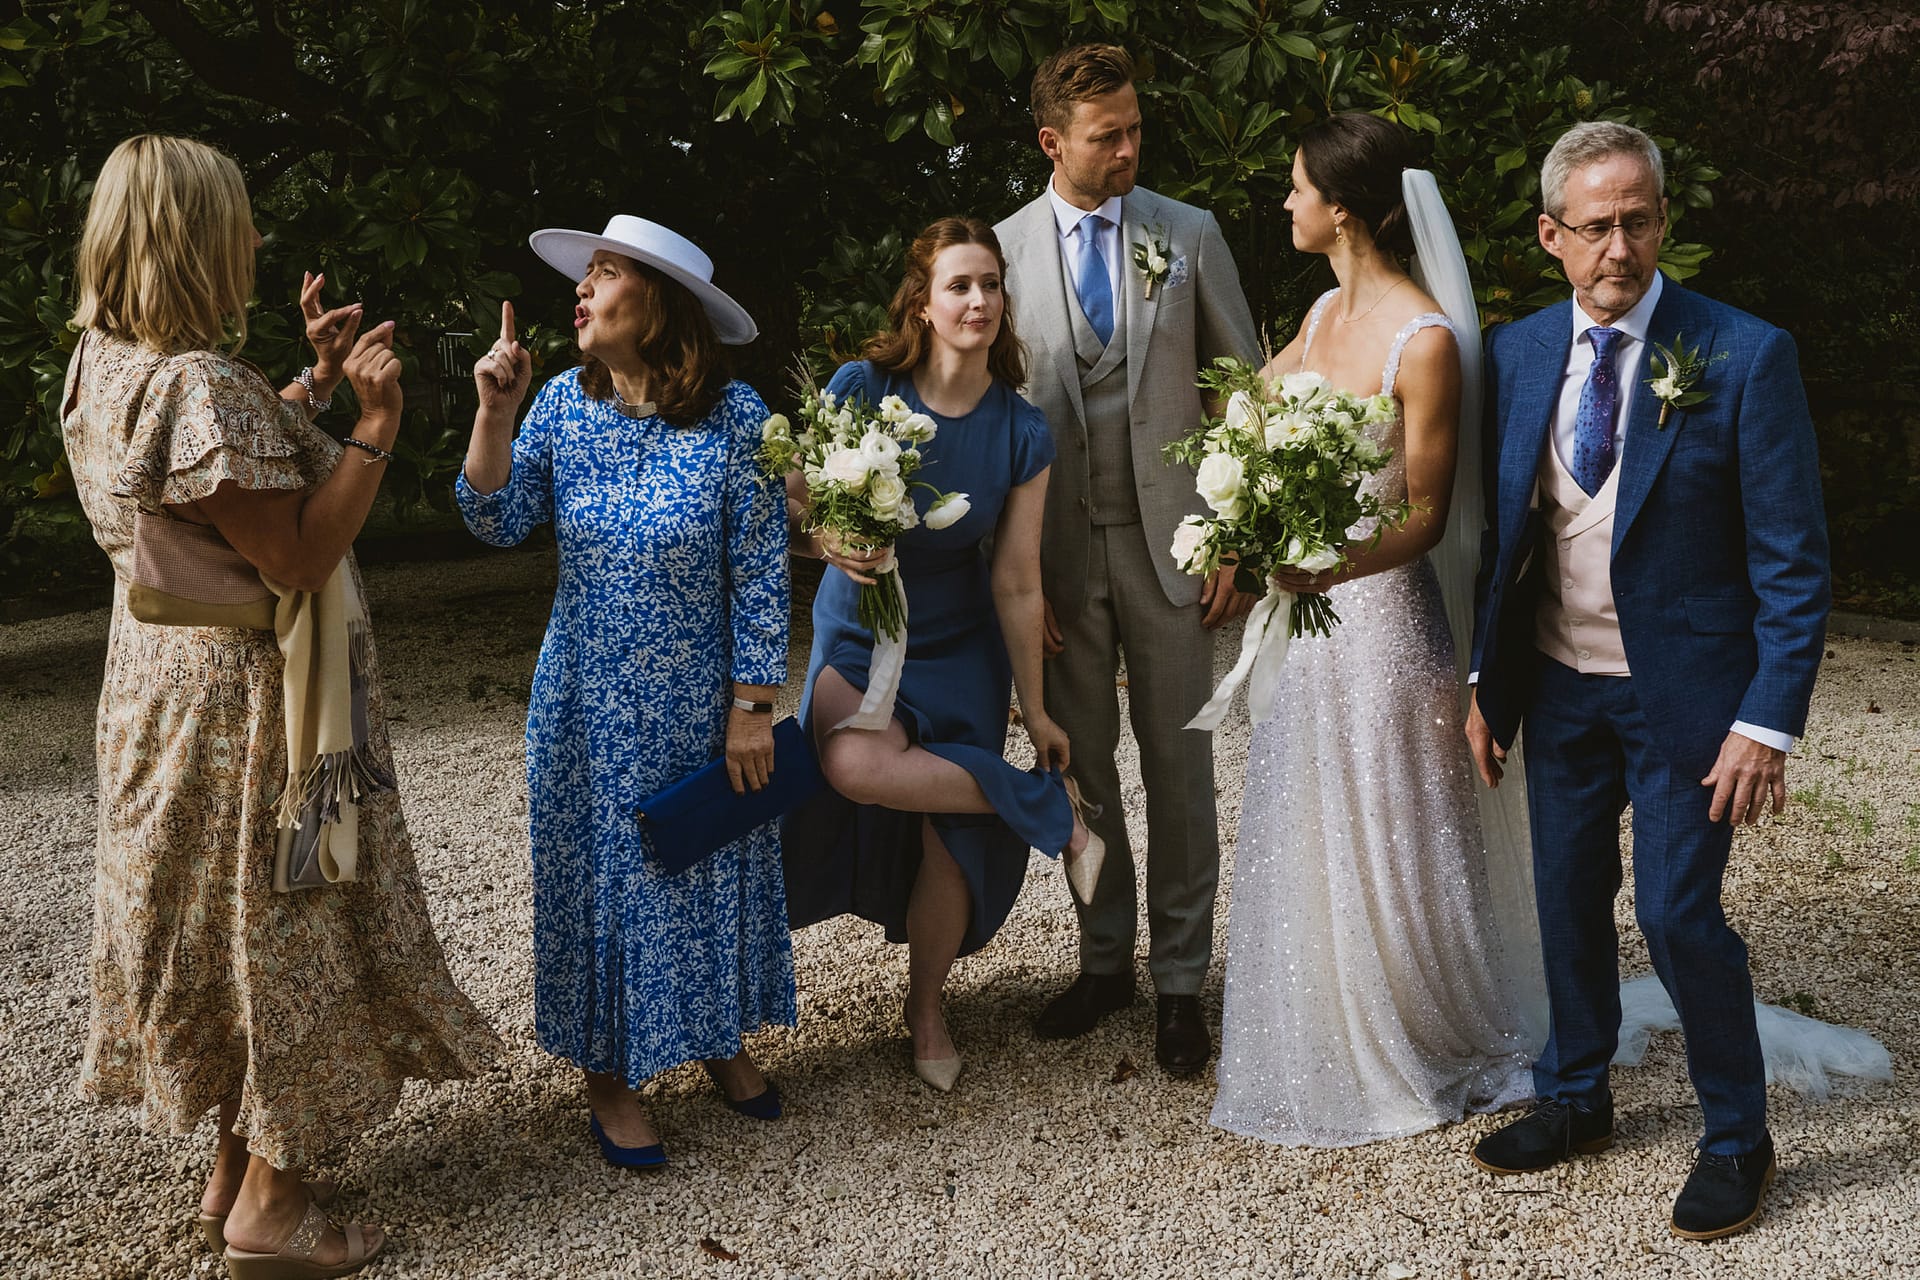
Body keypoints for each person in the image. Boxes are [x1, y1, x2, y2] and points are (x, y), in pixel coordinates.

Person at [63, 134, 501, 1278]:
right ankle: (272, 1205)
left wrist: (300, 384)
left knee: (216, 931)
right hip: (250, 710)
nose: (254, 242)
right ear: (191, 238)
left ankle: (231, 1169)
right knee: (284, 923)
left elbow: (206, 484)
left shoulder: (101, 363)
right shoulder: (198, 383)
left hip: (158, 691)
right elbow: (299, 552)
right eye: (238, 223)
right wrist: (371, 425)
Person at [1466, 121, 1831, 1240]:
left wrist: (1765, 720)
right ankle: (1577, 1096)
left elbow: (1793, 562)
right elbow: (1502, 538)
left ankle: (1737, 1136)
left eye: (1638, 220)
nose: (1618, 246)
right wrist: (1487, 679)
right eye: (1595, 225)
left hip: (1691, 701)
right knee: (1567, 900)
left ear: (1663, 223)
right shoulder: (1515, 354)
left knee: (1677, 912)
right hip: (1562, 687)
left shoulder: (1743, 353)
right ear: (1551, 236)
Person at [1209, 114, 1537, 1147]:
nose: (1288, 202)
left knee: (1393, 825)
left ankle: (1422, 1027)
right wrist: (1240, 497)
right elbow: (1248, 412)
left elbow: (1427, 514)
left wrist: (1323, 561)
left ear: (1341, 208)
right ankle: (1324, 1022)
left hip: (1385, 619)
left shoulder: (1423, 338)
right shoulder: (1319, 309)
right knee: (1311, 816)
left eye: (1298, 188)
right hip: (1309, 619)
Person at [457, 215, 793, 1167]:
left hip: (700, 695)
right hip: (586, 700)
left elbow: (761, 569)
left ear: (658, 304)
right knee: (601, 882)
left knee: (709, 856)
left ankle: (718, 1036)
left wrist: (753, 706)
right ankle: (608, 1075)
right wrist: (494, 410)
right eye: (587, 274)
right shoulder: (562, 401)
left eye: (604, 274)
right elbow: (495, 518)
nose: (583, 288)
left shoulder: (738, 419)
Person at [994, 44, 1262, 1075]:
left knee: (1183, 770)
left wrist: (1235, 531)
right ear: (1053, 140)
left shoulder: (1187, 234)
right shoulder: (1002, 249)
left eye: (1137, 129)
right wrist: (1009, 578)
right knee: (1079, 766)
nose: (1130, 149)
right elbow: (976, 416)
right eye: (1109, 135)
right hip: (1054, 557)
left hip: (1176, 549)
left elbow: (1242, 387)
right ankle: (1103, 958)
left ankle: (1182, 980)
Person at [782, 216, 1094, 1093]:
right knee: (847, 763)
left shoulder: (1023, 431)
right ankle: (1045, 812)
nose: (979, 301)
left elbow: (1019, 582)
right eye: (959, 285)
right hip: (859, 630)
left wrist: (1035, 711)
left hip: (962, 644)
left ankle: (926, 1008)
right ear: (921, 301)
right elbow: (795, 508)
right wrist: (828, 539)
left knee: (949, 839)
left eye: (991, 285)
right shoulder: (858, 386)